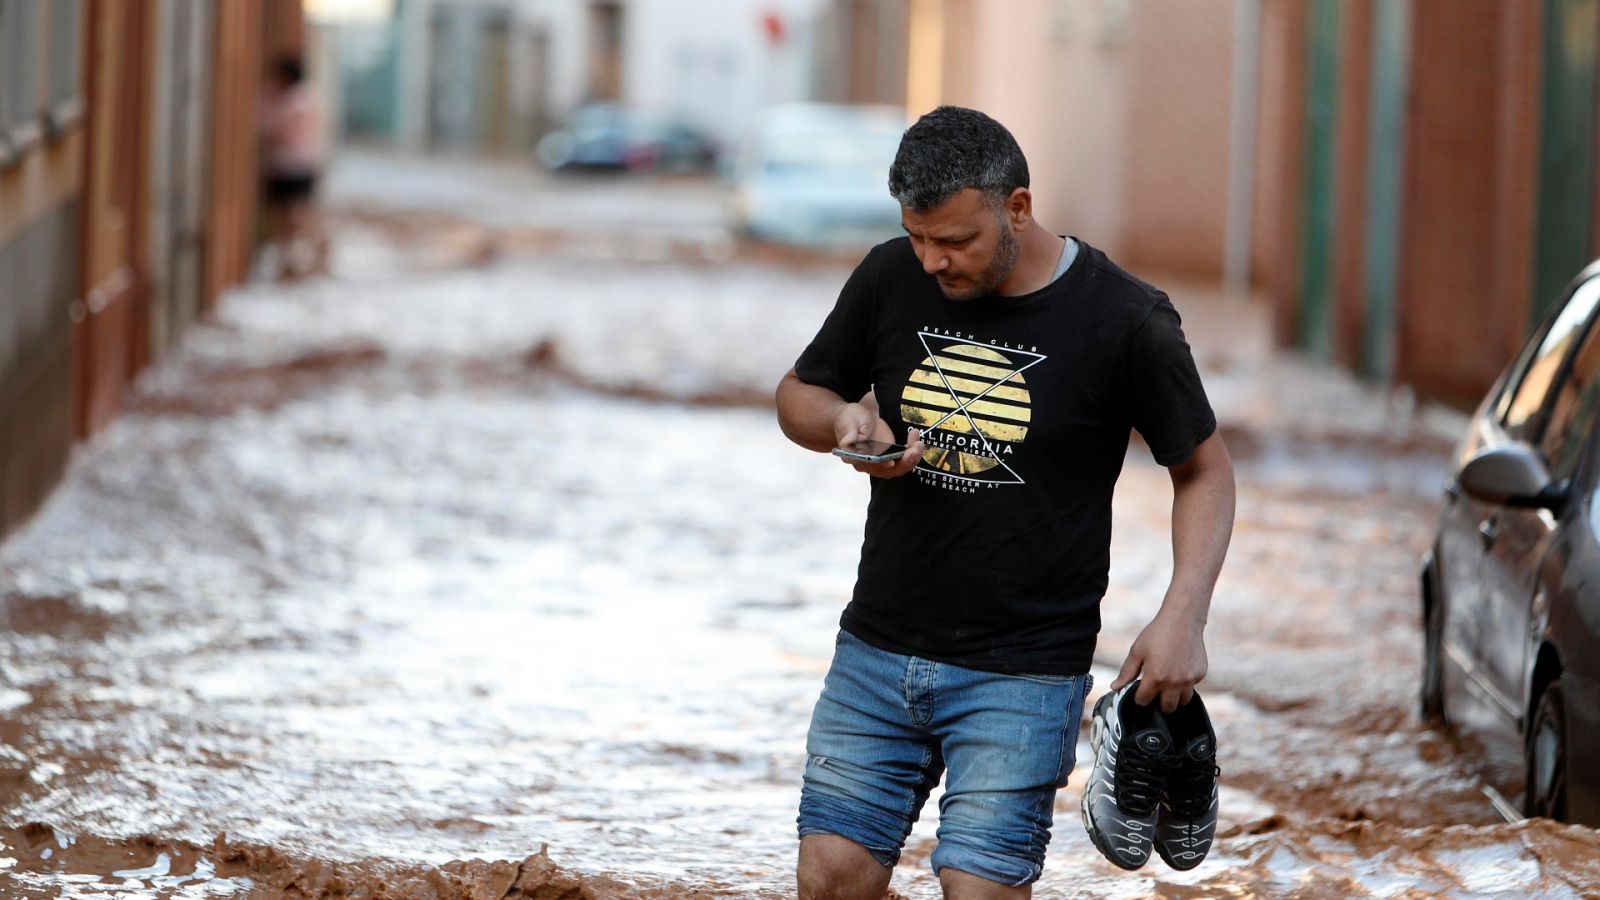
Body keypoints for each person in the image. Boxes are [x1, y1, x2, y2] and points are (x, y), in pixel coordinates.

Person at [775, 106, 1235, 898]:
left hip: (1025, 675)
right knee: (831, 879)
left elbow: (1206, 473)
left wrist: (1183, 616)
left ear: (1017, 207)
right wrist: (841, 420)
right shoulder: (889, 277)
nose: (932, 261)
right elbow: (798, 394)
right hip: (877, 651)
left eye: (956, 241)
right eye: (917, 237)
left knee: (978, 890)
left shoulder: (1126, 318)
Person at [261, 54, 329, 280]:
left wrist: (270, 135)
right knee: (293, 215)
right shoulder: (304, 98)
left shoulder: (295, 102)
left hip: (293, 165)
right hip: (297, 164)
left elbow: (284, 133)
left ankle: (313, 253)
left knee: (295, 215)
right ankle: (295, 259)